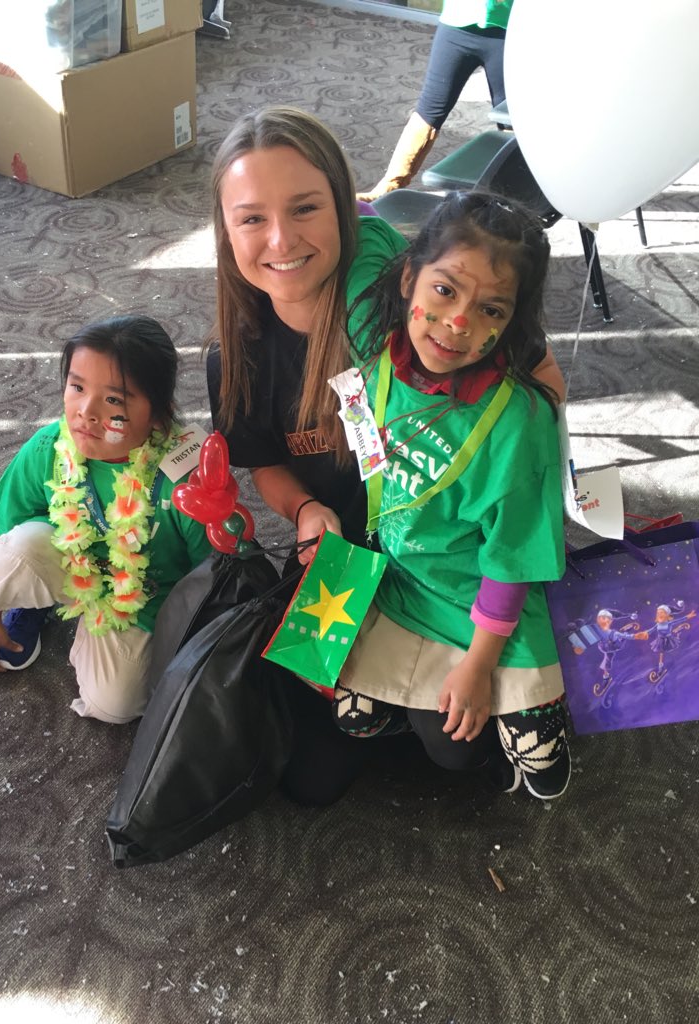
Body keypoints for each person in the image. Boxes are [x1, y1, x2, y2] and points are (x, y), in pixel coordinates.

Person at [206, 106, 564, 802]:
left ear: (346, 208)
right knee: (308, 779)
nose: (281, 239)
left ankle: (439, 697)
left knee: (458, 755)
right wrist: (306, 510)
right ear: (225, 228)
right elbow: (266, 466)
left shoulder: (403, 301)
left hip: (441, 556)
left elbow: (537, 377)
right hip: (344, 556)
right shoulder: (238, 351)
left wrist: (534, 467)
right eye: (251, 218)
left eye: (305, 208)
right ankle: (389, 701)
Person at [330, 191, 570, 800]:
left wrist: (480, 664)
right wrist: (355, 203)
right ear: (409, 277)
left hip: (477, 599)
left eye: (491, 310)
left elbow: (512, 559)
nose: (460, 323)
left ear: (511, 322)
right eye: (444, 290)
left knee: (532, 767)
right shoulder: (370, 333)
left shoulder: (518, 422)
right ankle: (414, 704)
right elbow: (359, 223)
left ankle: (516, 713)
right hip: (397, 579)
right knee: (354, 718)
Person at [0, 315, 211, 725]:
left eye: (114, 401)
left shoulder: (185, 475)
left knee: (114, 707)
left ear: (158, 415)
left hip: (145, 597)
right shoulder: (50, 446)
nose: (85, 411)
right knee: (11, 555)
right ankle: (36, 602)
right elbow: (4, 522)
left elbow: (209, 580)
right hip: (69, 561)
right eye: (77, 387)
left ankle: (94, 630)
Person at [358, 0, 514, 202]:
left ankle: (513, 197)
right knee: (428, 109)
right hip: (456, 24)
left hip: (509, 31)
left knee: (511, 118)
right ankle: (389, 186)